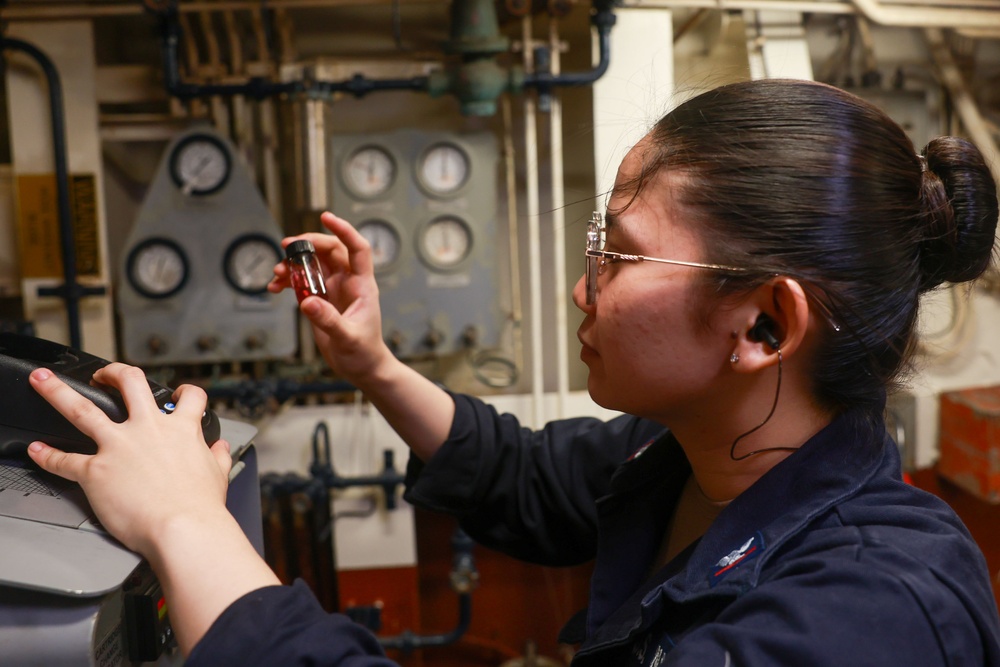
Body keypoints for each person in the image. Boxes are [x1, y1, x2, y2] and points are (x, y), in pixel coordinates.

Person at [26, 78, 1000, 666]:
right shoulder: (693, 457)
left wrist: (186, 524)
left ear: (760, 321)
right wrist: (372, 364)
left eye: (617, 254)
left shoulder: (874, 613)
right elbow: (530, 476)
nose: (583, 291)